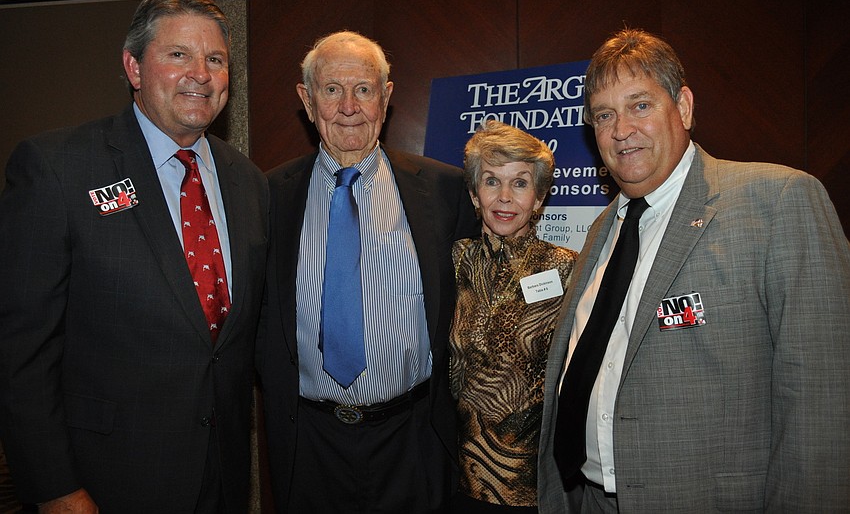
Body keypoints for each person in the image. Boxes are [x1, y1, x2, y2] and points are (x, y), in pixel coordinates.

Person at [537, 27, 850, 512]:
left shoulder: (777, 201)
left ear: (682, 107)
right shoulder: (605, 226)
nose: (621, 129)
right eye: (604, 114)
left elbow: (824, 397)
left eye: (640, 105)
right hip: (589, 499)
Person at [0, 0, 269, 513]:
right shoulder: (58, 167)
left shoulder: (249, 182)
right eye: (178, 55)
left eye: (215, 59)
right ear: (133, 67)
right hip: (106, 483)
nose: (201, 73)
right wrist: (55, 488)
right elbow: (21, 353)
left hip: (224, 478)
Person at [256, 30, 479, 512]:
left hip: (414, 437)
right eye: (332, 89)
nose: (349, 106)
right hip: (308, 441)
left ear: (387, 96)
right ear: (307, 100)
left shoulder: (445, 191)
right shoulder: (266, 198)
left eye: (364, 89)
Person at [449, 121, 577, 513]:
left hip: (532, 482)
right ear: (474, 193)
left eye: (520, 183)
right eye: (491, 181)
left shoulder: (566, 269)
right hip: (456, 473)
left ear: (539, 198)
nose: (504, 197)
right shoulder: (453, 261)